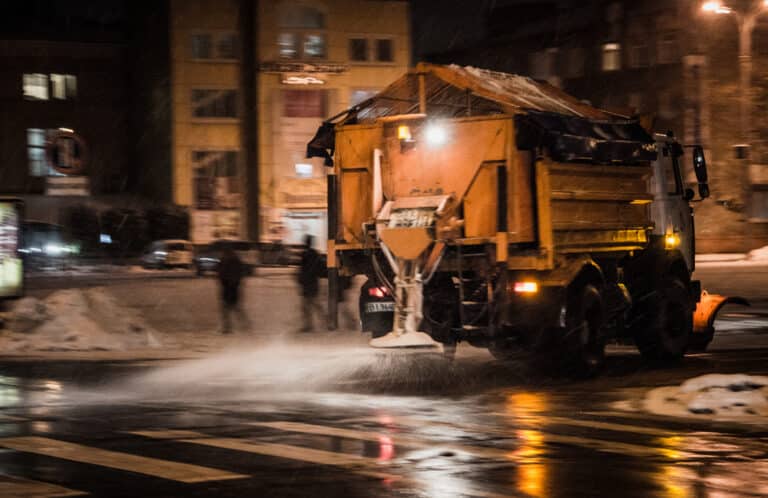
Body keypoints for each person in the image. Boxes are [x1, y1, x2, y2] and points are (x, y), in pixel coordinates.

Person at [217, 247, 250, 334]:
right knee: (235, 308)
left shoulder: (226, 261)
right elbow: (240, 273)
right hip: (233, 287)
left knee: (227, 308)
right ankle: (244, 325)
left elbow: (221, 273)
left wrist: (223, 281)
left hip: (228, 287)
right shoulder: (236, 260)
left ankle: (228, 327)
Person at [298, 234, 323, 332]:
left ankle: (309, 325)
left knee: (308, 305)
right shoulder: (316, 254)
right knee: (314, 304)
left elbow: (302, 269)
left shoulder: (305, 255)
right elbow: (319, 269)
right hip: (313, 282)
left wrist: (301, 279)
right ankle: (324, 321)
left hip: (308, 282)